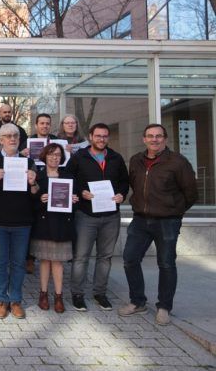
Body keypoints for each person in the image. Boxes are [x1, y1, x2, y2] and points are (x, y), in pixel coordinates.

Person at [119, 124, 198, 325]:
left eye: (159, 136)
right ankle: (138, 302)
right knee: (129, 258)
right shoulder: (136, 160)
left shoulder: (178, 162)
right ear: (144, 139)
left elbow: (191, 193)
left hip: (167, 221)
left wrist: (174, 211)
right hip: (140, 219)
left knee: (166, 264)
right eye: (150, 136)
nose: (154, 139)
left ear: (166, 139)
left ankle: (164, 307)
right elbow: (133, 185)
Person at [65, 123, 129, 312]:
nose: (101, 139)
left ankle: (100, 293)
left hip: (111, 215)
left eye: (105, 136)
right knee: (81, 257)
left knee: (105, 257)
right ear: (91, 137)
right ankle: (77, 294)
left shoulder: (116, 158)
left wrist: (122, 195)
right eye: (98, 136)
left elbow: (124, 182)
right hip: (86, 214)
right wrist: (81, 191)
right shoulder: (79, 157)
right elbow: (68, 177)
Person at [0, 123, 39, 319]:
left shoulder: (28, 162)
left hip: (22, 221)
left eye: (15, 135)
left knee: (18, 263)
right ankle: (1, 300)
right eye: (7, 136)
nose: (12, 138)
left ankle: (15, 300)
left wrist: (33, 183)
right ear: (1, 140)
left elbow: (35, 194)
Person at [31, 143, 78, 313]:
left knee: (58, 263)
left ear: (62, 157)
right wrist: (39, 198)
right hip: (43, 223)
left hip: (61, 224)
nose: (54, 157)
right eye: (51, 154)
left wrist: (74, 200)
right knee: (44, 261)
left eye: (58, 155)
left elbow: (75, 203)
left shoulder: (69, 177)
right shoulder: (38, 176)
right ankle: (43, 294)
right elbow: (30, 201)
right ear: (44, 156)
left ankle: (58, 296)